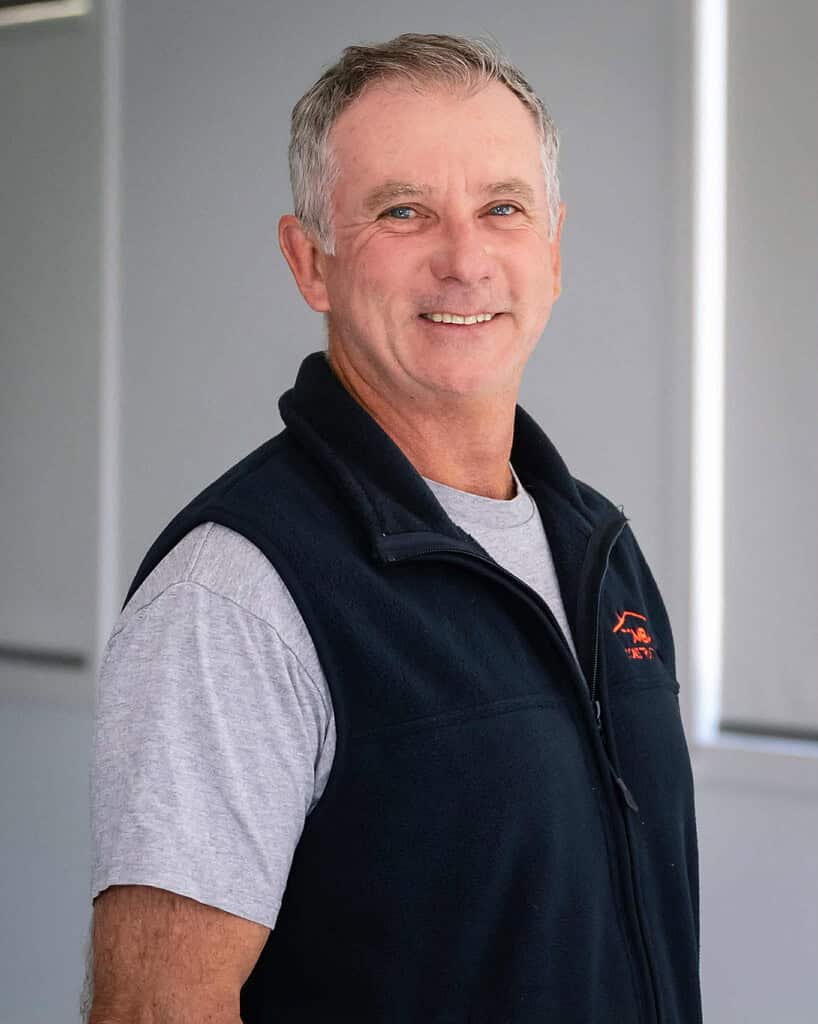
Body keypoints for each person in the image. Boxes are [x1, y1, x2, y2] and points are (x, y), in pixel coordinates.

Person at [87, 33, 701, 1024]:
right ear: (310, 262)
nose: (464, 261)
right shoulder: (235, 596)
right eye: (403, 212)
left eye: (502, 209)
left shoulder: (600, 552)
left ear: (550, 250)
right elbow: (155, 1011)